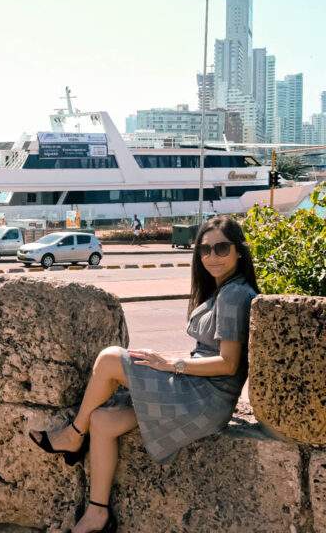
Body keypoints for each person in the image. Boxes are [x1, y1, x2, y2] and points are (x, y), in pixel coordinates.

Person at [29, 216, 259, 533]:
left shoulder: (234, 294)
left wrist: (171, 365)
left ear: (239, 252)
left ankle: (72, 435)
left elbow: (228, 363)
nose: (212, 256)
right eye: (205, 249)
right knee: (103, 421)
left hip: (206, 398)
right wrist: (172, 365)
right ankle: (97, 513)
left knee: (110, 358)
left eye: (221, 248)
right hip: (199, 391)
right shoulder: (225, 290)